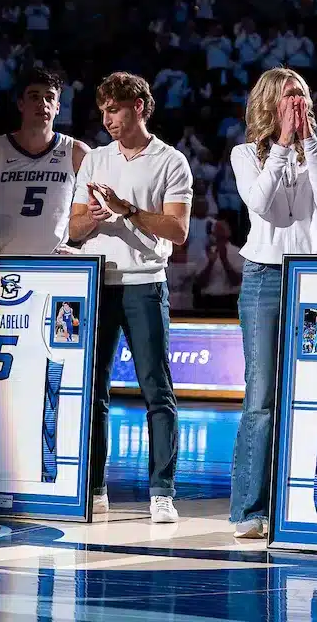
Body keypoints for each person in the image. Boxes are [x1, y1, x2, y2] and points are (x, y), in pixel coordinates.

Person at [68, 72, 193, 524]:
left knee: (156, 390)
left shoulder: (171, 161)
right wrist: (96, 219)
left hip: (145, 283)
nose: (108, 119)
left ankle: (162, 492)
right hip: (98, 283)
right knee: (94, 392)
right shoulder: (95, 160)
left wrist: (131, 213)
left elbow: (178, 231)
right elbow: (74, 230)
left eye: (115, 109)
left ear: (139, 106)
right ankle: (96, 489)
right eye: (103, 111)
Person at [228, 67, 317, 539]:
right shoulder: (244, 154)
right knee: (261, 397)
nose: (298, 106)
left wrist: (308, 144)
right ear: (270, 104)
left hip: (316, 281)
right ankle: (250, 510)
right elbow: (260, 203)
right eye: (289, 98)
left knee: (316, 391)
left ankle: (308, 501)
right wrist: (281, 145)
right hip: (267, 279)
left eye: (303, 97)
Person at [0, 68, 89, 259]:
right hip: (3, 262)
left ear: (58, 107)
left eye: (49, 98)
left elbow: (93, 213)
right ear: (21, 104)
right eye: (34, 97)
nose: (42, 103)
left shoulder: (77, 152)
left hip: (57, 265)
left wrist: (84, 249)